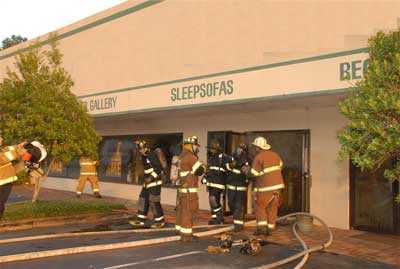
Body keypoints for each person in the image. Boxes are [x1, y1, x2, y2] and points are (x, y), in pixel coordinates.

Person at [0, 140, 47, 218]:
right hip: (2, 184)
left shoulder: (3, 149)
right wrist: (18, 152)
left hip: (5, 182)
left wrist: (20, 146)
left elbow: (9, 151)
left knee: (1, 207)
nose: (1, 139)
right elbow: (3, 158)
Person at [250, 137, 284, 236]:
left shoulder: (258, 157)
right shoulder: (276, 155)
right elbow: (281, 166)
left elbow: (254, 174)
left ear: (258, 147)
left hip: (265, 187)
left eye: (255, 147)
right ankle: (270, 228)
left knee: (260, 207)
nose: (255, 149)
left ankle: (262, 229)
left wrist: (246, 170)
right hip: (277, 187)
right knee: (272, 207)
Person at [175, 136, 205, 242]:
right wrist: (204, 166)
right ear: (191, 146)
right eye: (196, 146)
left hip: (182, 190)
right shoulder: (191, 157)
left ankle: (180, 230)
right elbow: (200, 171)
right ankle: (186, 236)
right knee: (188, 212)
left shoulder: (180, 157)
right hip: (189, 191)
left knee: (181, 211)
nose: (197, 148)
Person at [129, 140, 165, 228]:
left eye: (141, 149)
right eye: (139, 149)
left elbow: (159, 168)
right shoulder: (144, 155)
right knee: (143, 199)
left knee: (154, 201)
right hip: (147, 183)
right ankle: (141, 220)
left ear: (145, 148)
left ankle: (160, 221)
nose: (140, 151)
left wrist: (151, 178)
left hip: (155, 182)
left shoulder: (151, 155)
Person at [225, 143, 250, 232]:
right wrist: (231, 165)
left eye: (242, 149)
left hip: (241, 186)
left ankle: (238, 225)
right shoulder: (231, 157)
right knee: (231, 204)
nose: (240, 150)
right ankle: (237, 220)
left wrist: (246, 171)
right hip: (231, 185)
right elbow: (226, 166)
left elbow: (249, 173)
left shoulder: (247, 159)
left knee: (238, 206)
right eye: (239, 148)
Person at [203, 139, 226, 225]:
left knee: (213, 200)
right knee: (212, 201)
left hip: (218, 183)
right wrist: (205, 177)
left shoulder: (222, 157)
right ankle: (215, 218)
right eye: (210, 148)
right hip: (211, 183)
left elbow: (226, 170)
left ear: (217, 149)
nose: (211, 150)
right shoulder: (211, 157)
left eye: (212, 148)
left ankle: (220, 218)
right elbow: (209, 170)